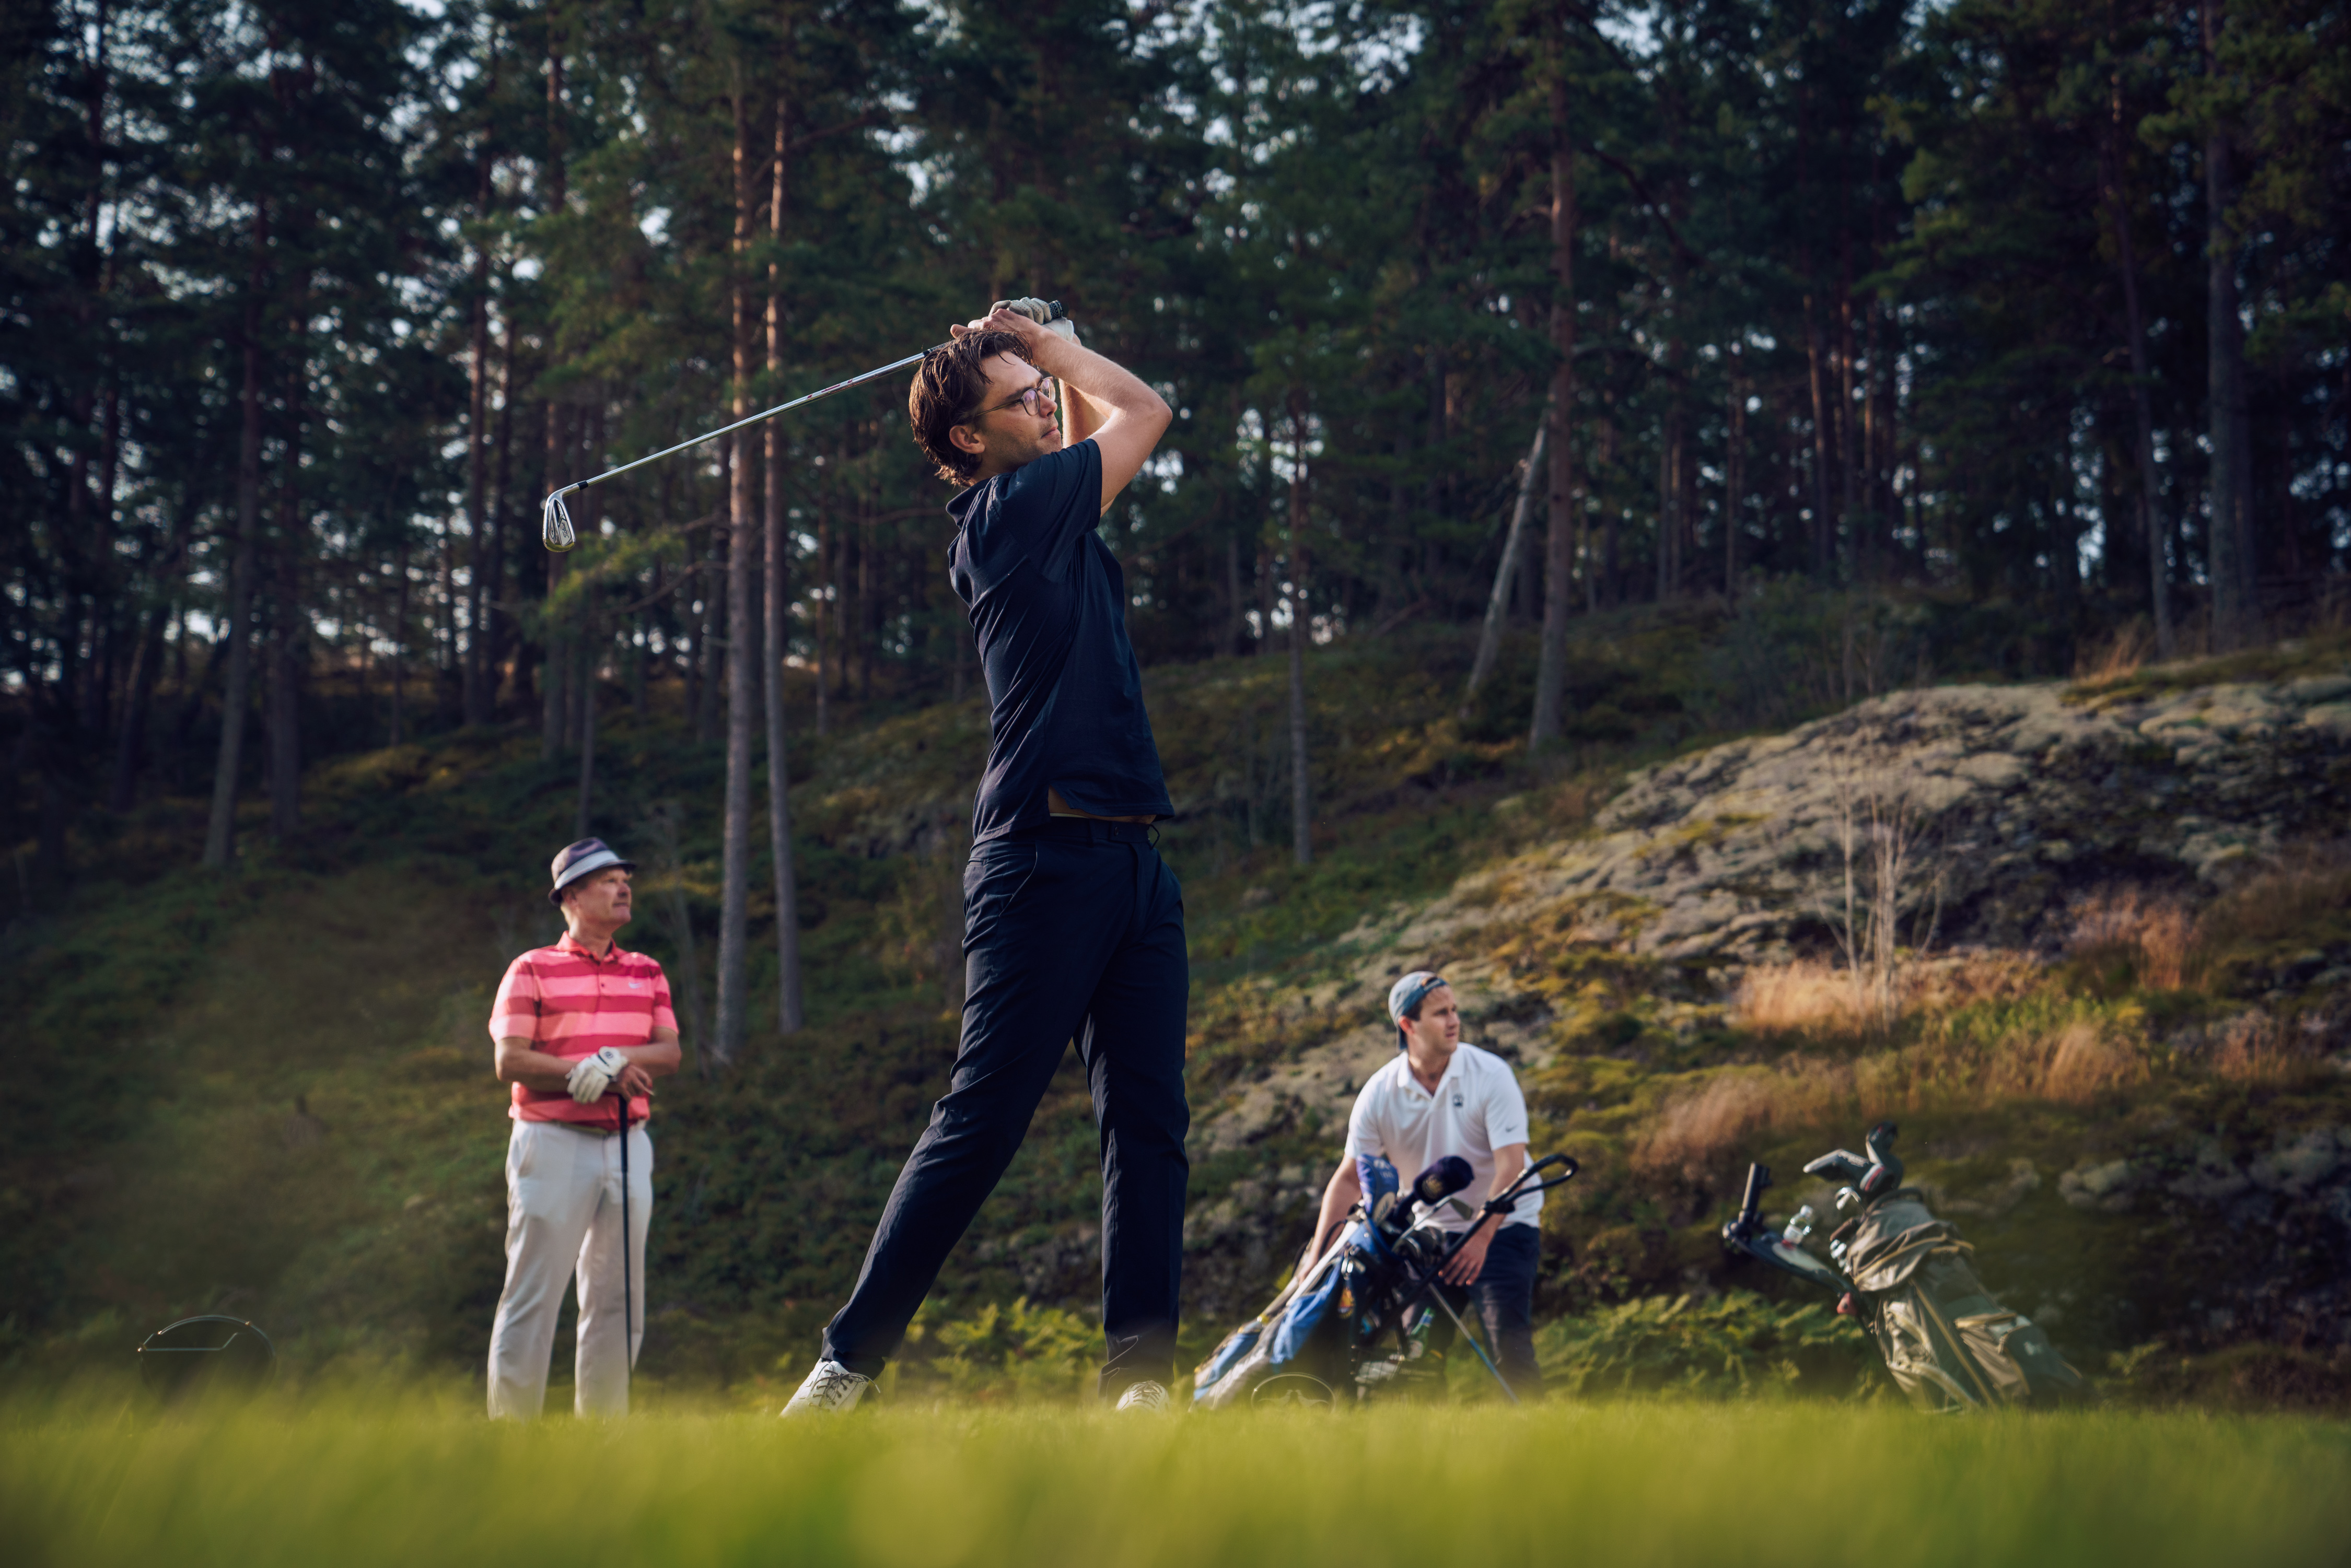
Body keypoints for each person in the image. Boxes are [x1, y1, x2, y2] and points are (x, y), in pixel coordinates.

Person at [783, 299, 1185, 1414]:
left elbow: (1103, 430)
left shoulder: (1055, 509)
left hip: (1134, 856)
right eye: (1021, 400)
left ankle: (1141, 1388)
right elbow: (1146, 411)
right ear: (969, 438)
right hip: (1042, 858)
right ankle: (845, 1367)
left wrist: (1048, 351)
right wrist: (1052, 343)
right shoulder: (1005, 513)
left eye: (1044, 393)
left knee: (1150, 1125)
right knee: (983, 1119)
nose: (1046, 405)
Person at [484, 838, 682, 1418]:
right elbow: (510, 1061)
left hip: (627, 1142)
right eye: (608, 880)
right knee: (533, 1294)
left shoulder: (647, 970)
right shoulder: (530, 968)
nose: (624, 889)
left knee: (619, 1296)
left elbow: (669, 1053)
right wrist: (583, 1074)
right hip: (550, 1141)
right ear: (571, 896)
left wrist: (612, 1060)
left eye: (626, 880)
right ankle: (511, 1435)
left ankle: (604, 1437)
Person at [1303, 970, 1545, 1398]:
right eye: (1440, 1013)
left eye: (1454, 1010)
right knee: (1415, 1359)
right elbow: (1349, 1179)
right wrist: (1317, 1256)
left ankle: (1539, 1433)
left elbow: (1511, 1165)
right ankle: (1428, 1438)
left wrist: (1480, 1237)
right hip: (1430, 1235)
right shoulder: (1380, 1092)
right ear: (1407, 1025)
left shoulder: (1491, 1074)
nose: (1454, 1021)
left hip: (1503, 1228)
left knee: (1509, 1350)